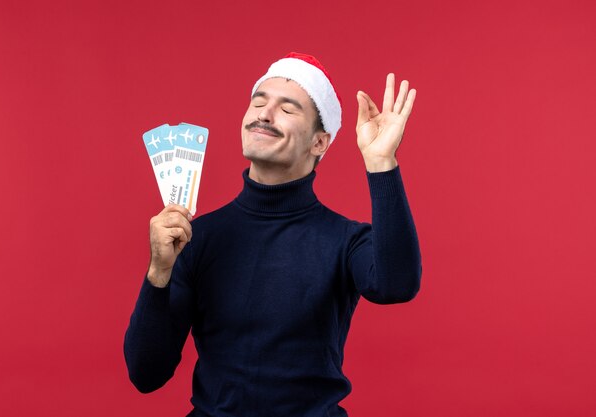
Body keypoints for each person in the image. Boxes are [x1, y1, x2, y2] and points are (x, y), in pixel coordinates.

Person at [124, 52, 422, 416]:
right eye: (258, 102)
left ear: (319, 143)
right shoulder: (194, 237)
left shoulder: (346, 241)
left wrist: (381, 163)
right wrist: (158, 274)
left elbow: (397, 285)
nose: (264, 114)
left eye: (288, 108)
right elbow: (146, 374)